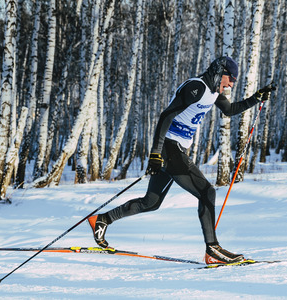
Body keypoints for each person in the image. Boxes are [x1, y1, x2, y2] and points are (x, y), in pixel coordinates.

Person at [88, 56, 276, 264]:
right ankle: (212, 249)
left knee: (151, 202)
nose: (231, 84)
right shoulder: (197, 87)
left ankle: (102, 219)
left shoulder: (213, 93)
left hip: (175, 151)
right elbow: (165, 116)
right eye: (230, 78)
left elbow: (230, 110)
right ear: (219, 71)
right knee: (207, 192)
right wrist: (155, 154)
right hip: (169, 149)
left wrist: (257, 97)